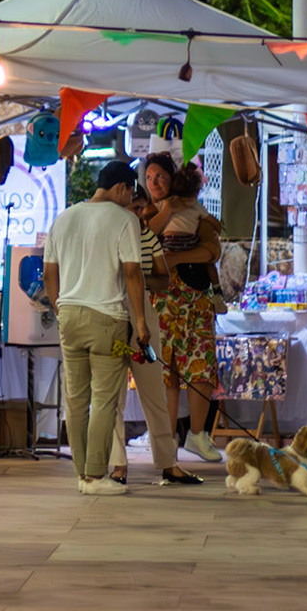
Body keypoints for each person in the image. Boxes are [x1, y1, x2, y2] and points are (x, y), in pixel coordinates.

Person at [43, 159, 150, 496]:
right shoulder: (124, 220)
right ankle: (95, 476)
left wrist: (60, 307)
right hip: (108, 317)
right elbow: (133, 272)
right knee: (104, 399)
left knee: (75, 399)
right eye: (130, 191)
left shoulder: (64, 217)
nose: (130, 199)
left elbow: (49, 274)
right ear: (120, 187)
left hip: (70, 315)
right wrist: (142, 322)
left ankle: (80, 474)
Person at [105, 187, 203, 486]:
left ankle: (168, 462)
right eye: (132, 209)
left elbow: (163, 277)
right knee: (113, 395)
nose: (137, 216)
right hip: (109, 311)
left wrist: (138, 279)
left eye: (141, 211)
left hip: (143, 312)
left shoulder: (146, 237)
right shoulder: (110, 235)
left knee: (154, 393)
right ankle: (117, 464)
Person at [142, 153, 223, 464]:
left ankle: (198, 434)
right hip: (162, 298)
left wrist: (176, 258)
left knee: (201, 363)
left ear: (172, 178)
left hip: (195, 296)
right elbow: (146, 236)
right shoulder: (144, 213)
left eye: (160, 176)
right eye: (149, 178)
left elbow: (212, 247)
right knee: (167, 370)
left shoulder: (192, 208)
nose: (155, 182)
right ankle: (165, 435)